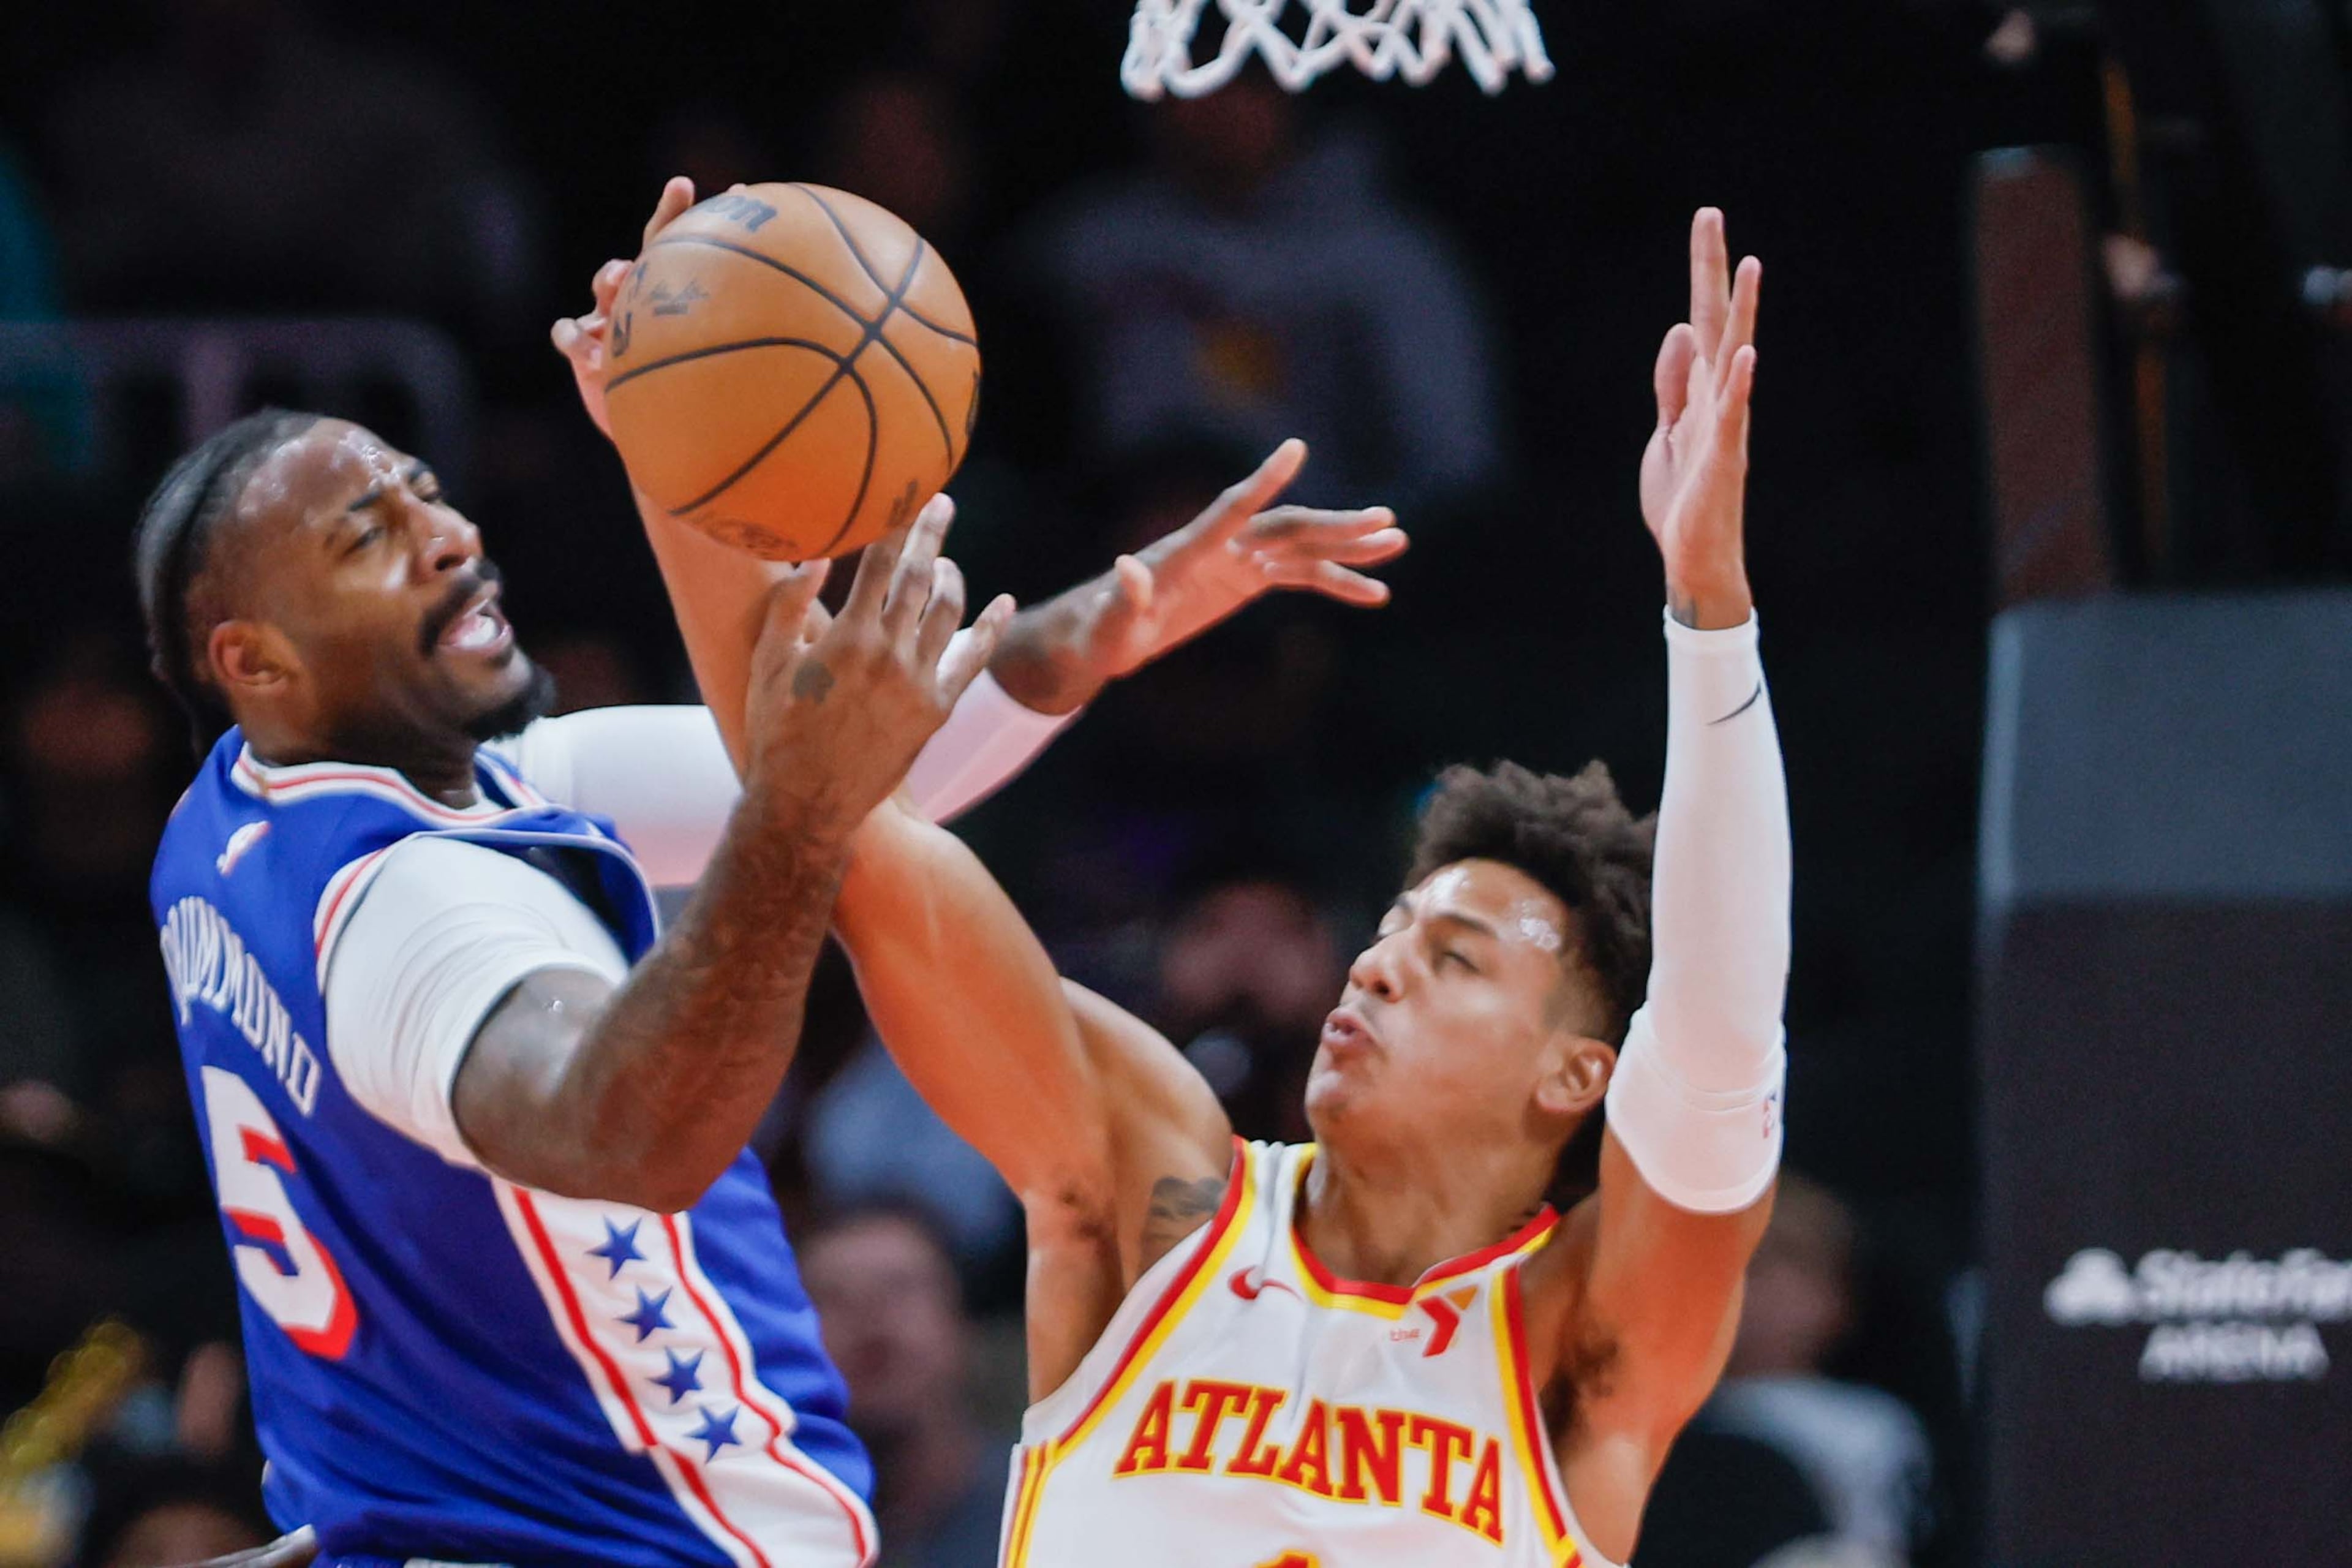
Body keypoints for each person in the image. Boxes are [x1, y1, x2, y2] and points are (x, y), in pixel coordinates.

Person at [138, 175, 1406, 1568]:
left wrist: (1114, 614)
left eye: (424, 493)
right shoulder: (414, 901)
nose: (446, 535)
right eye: (367, 539)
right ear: (253, 660)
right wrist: (798, 816)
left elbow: (858, 768)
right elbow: (631, 1130)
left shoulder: (243, 820)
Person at [829, 209, 1785, 1566]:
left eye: (1455, 957)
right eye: (1391, 931)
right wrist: (711, 509)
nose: (1376, 966)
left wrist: (1710, 606)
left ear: (1580, 1071)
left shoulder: (1577, 1344)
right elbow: (848, 836)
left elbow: (1725, 1035)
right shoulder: (1160, 1190)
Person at [800, 1203, 1014, 1568]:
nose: (868, 1314)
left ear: (963, 1325)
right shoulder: (747, 1528)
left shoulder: (1051, 1513)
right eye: (832, 1296)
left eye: (899, 1287)